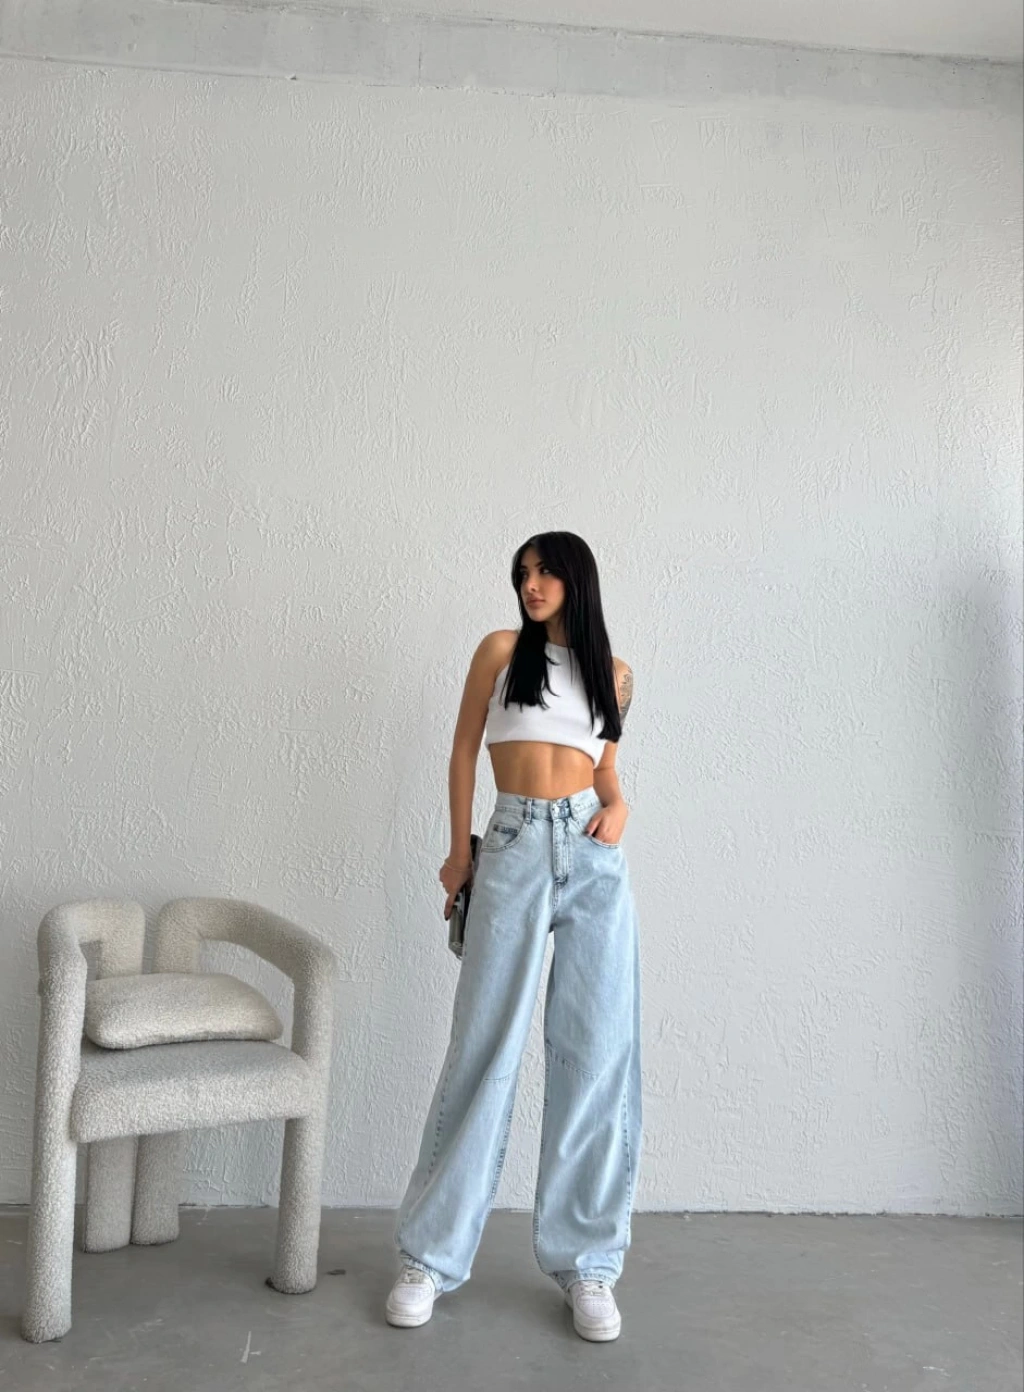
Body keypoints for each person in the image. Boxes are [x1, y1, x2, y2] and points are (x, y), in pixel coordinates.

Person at [386, 531, 641, 1343]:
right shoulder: (501, 651)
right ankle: (429, 1257)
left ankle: (589, 1264)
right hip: (514, 842)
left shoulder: (616, 674)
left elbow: (604, 769)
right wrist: (460, 852)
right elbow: (464, 750)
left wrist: (619, 805)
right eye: (523, 573)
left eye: (545, 571)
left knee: (596, 1052)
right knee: (484, 1046)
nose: (531, 585)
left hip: (593, 857)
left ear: (576, 578)